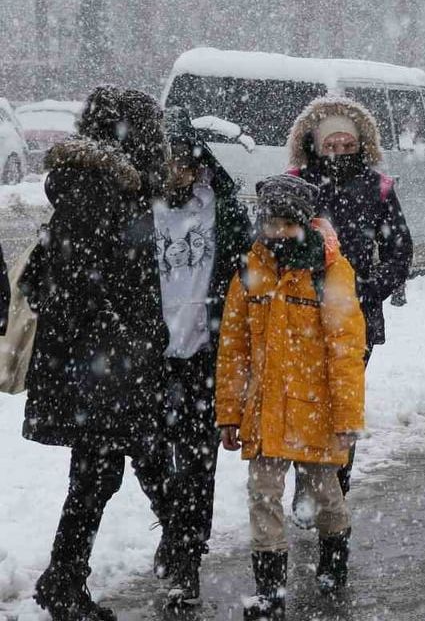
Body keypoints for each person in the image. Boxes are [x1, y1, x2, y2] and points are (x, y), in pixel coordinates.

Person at [21, 86, 171, 620]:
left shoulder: (107, 184)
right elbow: (73, 280)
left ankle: (67, 577)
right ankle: (67, 580)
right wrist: (124, 339)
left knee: (108, 469)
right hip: (100, 366)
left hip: (104, 362)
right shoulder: (97, 187)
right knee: (106, 471)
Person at [216, 174, 366, 620]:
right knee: (262, 495)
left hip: (315, 411)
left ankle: (333, 560)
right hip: (263, 411)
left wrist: (347, 419)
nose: (278, 231)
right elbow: (234, 348)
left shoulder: (330, 271)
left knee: (326, 494)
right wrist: (229, 412)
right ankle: (269, 591)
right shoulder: (251, 269)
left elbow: (345, 350)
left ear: (303, 222)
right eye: (271, 222)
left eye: (286, 222)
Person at [286, 96, 412, 511]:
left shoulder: (378, 188)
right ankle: (307, 480)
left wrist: (368, 290)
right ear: (314, 144)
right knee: (305, 398)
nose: (339, 153)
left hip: (356, 316)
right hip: (301, 312)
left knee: (343, 399)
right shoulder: (295, 184)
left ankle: (337, 485)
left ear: (361, 144)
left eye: (347, 145)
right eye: (331, 145)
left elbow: (399, 251)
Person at [149, 109, 253, 605]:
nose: (176, 174)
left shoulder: (223, 209)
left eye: (183, 164)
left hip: (203, 355)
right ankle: (175, 525)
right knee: (149, 456)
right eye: (166, 164)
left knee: (196, 460)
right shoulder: (139, 208)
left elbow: (246, 273)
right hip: (149, 356)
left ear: (198, 165)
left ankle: (186, 556)